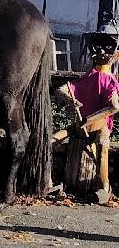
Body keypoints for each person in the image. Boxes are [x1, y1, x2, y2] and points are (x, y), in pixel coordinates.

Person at [54, 24, 119, 204]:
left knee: (103, 142)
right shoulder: (89, 77)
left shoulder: (110, 81)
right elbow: (61, 89)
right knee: (51, 140)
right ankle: (48, 179)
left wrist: (91, 119)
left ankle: (104, 186)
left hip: (99, 126)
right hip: (79, 124)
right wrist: (70, 99)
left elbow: (114, 107)